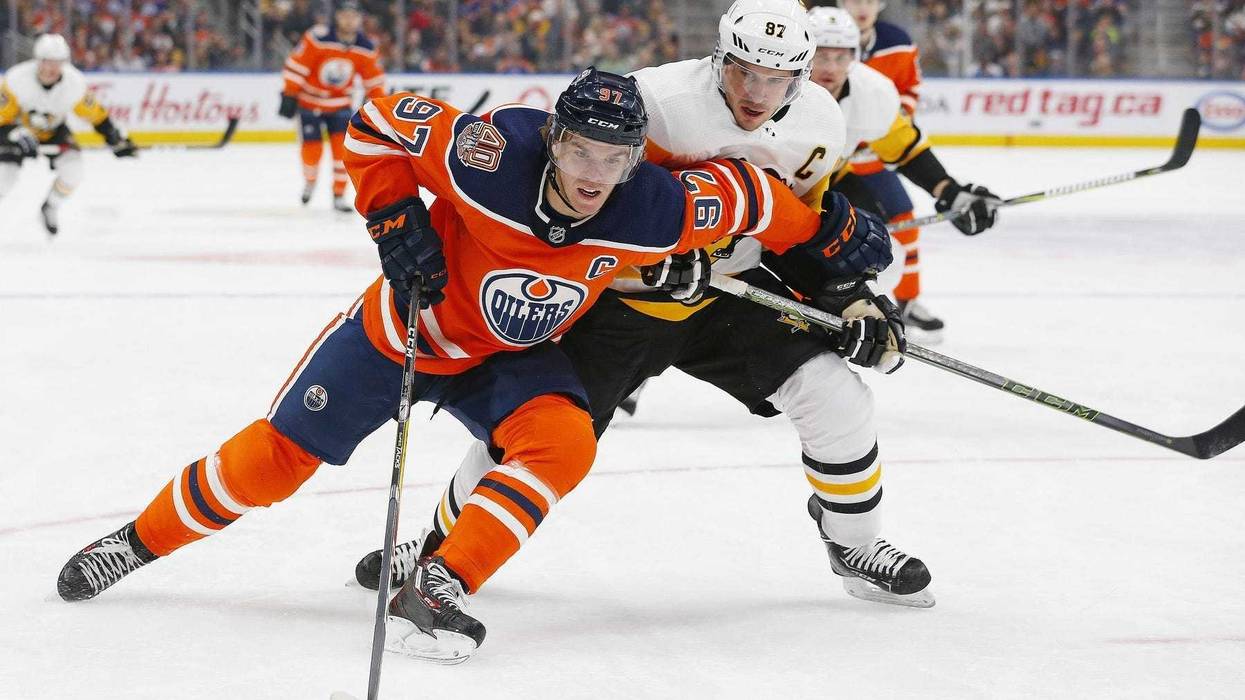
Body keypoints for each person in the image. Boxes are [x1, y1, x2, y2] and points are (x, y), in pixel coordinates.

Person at [56, 68, 886, 665]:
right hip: (398, 336)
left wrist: (839, 246)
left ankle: (439, 582)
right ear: (553, 139)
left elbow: (758, 199)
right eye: (581, 151)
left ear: (638, 157)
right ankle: (132, 543)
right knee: (276, 463)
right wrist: (392, 222)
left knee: (566, 444)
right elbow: (378, 118)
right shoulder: (485, 156)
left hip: (507, 361)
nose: (595, 175)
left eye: (615, 157)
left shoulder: (657, 205)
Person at [356, 0, 932, 617]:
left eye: (778, 78)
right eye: (744, 71)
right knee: (538, 433)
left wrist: (849, 296)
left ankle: (856, 545)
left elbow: (799, 229)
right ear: (720, 57)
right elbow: (570, 197)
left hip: (730, 293)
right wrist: (639, 263)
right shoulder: (656, 103)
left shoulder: (820, 124)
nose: (758, 92)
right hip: (617, 305)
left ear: (801, 74)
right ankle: (439, 546)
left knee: (835, 393)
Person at [799, 6, 1000, 335]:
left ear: (856, 56)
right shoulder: (777, 89)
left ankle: (846, 305)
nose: (830, 68)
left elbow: (906, 148)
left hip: (830, 179)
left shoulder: (872, 92)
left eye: (841, 56)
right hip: (773, 188)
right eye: (821, 56)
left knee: (874, 248)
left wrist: (951, 191)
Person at [831, 0, 948, 336]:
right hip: (824, 161)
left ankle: (908, 301)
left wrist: (881, 128)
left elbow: (909, 91)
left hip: (872, 159)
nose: (862, 6)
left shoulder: (897, 40)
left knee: (905, 222)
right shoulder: (823, 36)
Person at [0, 34, 137, 235]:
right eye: (47, 62)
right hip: (17, 132)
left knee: (74, 172)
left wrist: (115, 139)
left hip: (54, 131)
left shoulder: (75, 84)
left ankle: (50, 206)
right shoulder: (16, 80)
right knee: (4, 178)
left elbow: (96, 116)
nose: (51, 68)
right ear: (37, 60)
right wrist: (12, 132)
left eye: (58, 63)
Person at [279, 0, 385, 212]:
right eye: (345, 15)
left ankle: (338, 194)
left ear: (359, 19)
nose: (349, 20)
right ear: (337, 17)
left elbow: (374, 80)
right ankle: (310, 181)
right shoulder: (318, 38)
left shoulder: (365, 47)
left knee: (342, 152)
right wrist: (290, 94)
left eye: (353, 16)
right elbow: (297, 65)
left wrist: (376, 104)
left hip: (339, 105)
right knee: (312, 150)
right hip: (310, 102)